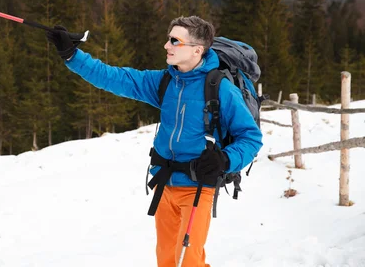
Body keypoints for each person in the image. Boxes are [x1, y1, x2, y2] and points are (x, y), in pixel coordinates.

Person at [46, 16, 263, 267]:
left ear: (196, 50)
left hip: (198, 187)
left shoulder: (220, 89)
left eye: (174, 40)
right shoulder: (165, 81)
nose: (166, 45)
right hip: (164, 183)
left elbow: (251, 137)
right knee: (167, 261)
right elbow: (115, 77)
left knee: (188, 262)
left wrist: (225, 159)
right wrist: (72, 55)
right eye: (168, 38)